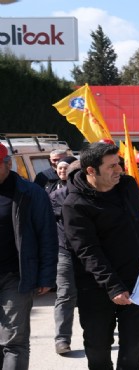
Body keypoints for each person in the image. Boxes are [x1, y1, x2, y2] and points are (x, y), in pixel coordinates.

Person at [61, 142, 139, 369]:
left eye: (118, 164)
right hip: (97, 288)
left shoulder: (127, 186)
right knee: (98, 346)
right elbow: (87, 250)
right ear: (91, 170)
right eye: (111, 166)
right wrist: (113, 286)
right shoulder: (75, 204)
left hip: (136, 281)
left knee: (134, 345)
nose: (119, 169)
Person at [0, 142, 58, 369]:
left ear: (7, 163)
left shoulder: (30, 193)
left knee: (14, 341)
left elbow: (47, 235)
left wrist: (46, 276)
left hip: (17, 276)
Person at [49, 160, 80, 355]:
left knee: (95, 295)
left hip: (93, 253)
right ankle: (62, 339)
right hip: (66, 253)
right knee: (66, 294)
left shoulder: (100, 194)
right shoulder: (56, 197)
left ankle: (99, 334)